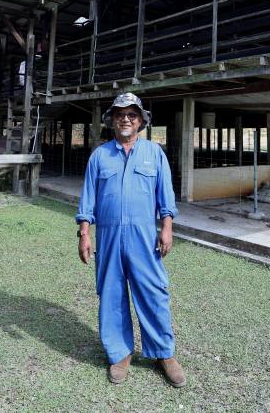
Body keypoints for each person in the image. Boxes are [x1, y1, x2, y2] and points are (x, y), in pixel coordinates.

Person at [75, 92, 185, 387]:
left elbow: (166, 195)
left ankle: (164, 353)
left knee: (153, 293)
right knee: (111, 295)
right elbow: (88, 199)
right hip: (109, 236)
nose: (126, 119)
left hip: (143, 236)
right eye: (120, 114)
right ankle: (120, 354)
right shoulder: (100, 155)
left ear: (141, 121)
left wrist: (167, 227)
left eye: (132, 115)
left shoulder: (154, 153)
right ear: (112, 120)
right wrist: (85, 233)